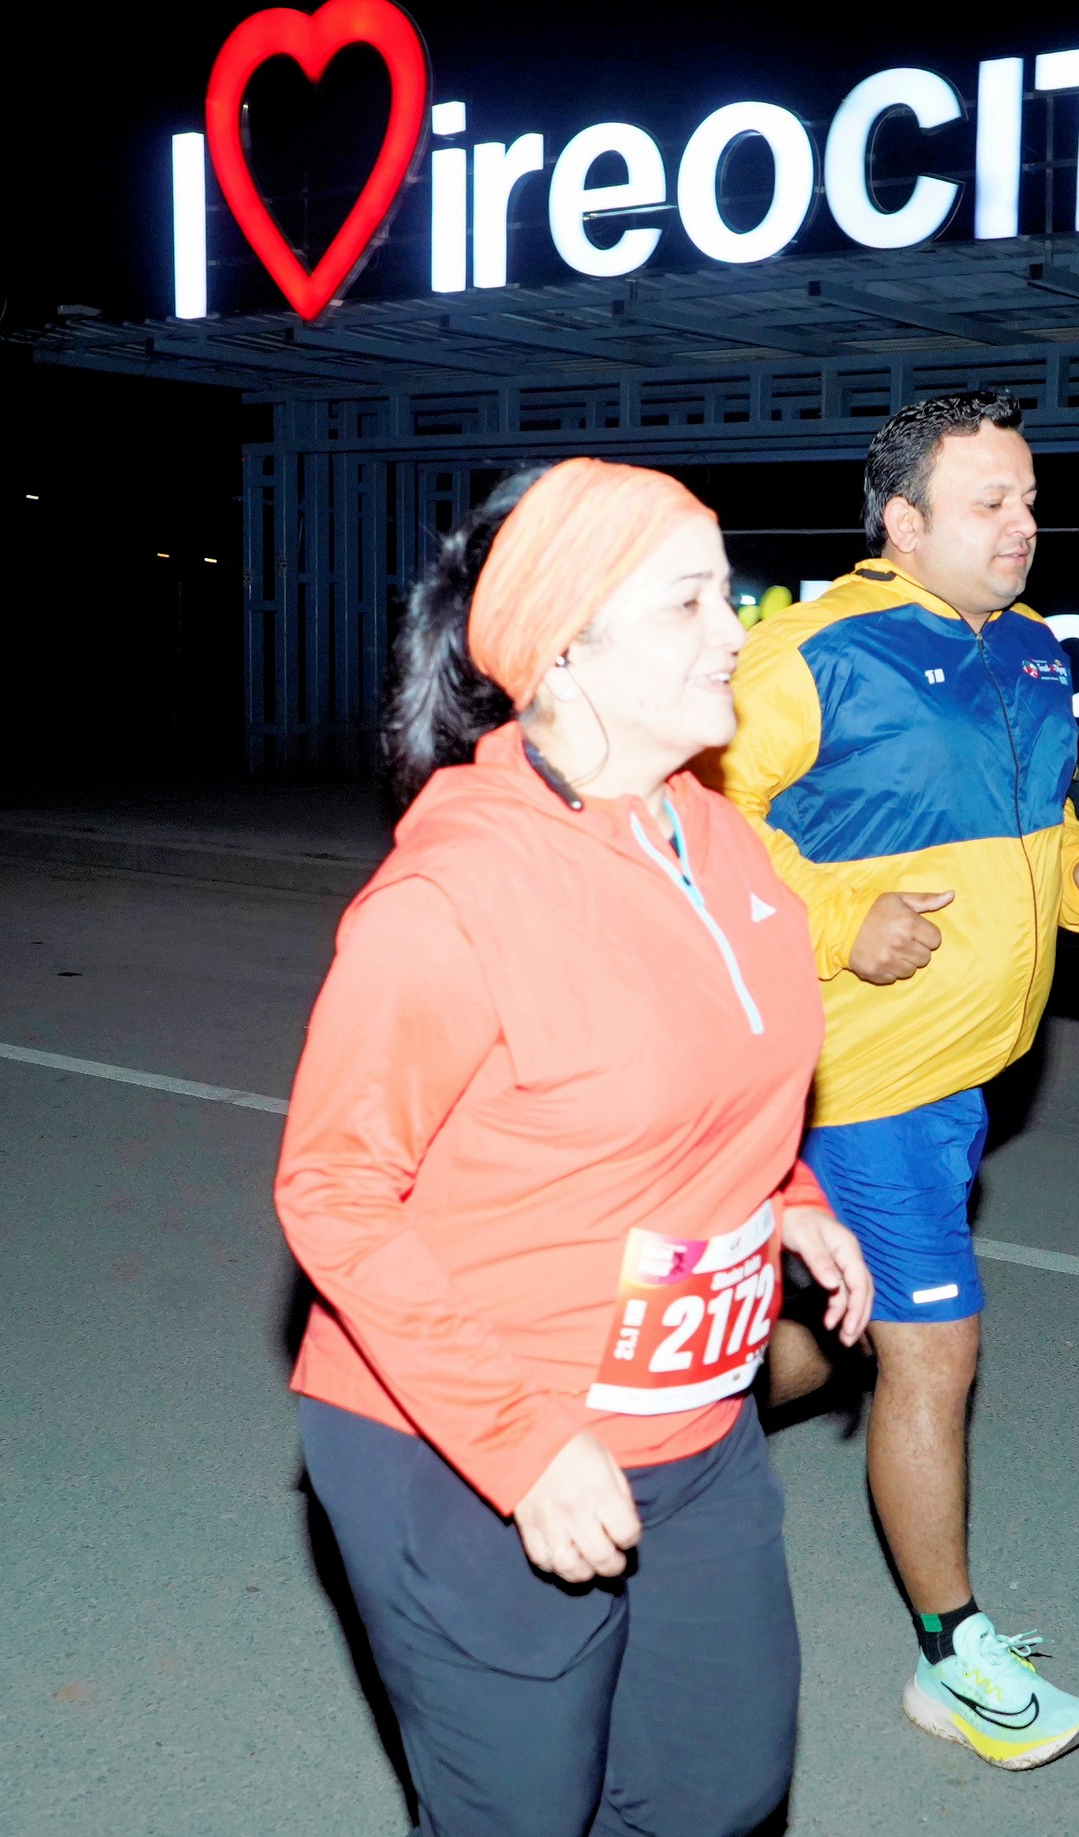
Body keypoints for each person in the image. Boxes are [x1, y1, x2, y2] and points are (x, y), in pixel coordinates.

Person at [275, 457, 876, 1836]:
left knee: (721, 1784)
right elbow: (334, 1188)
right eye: (688, 601)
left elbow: (725, 1069)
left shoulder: (719, 840)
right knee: (524, 1813)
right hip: (463, 1439)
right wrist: (523, 1447)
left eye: (726, 592)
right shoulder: (454, 892)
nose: (736, 629)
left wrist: (787, 1192)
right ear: (564, 649)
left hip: (692, 1416)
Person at [714, 392, 1079, 1772]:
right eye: (990, 503)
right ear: (904, 522)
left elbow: (1031, 815)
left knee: (837, 1333)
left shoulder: (1028, 649)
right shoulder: (813, 653)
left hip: (966, 1074)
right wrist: (842, 922)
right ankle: (951, 1657)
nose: (1024, 526)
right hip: (861, 1075)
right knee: (934, 1346)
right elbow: (692, 818)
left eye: (1030, 501)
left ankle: (650, 1433)